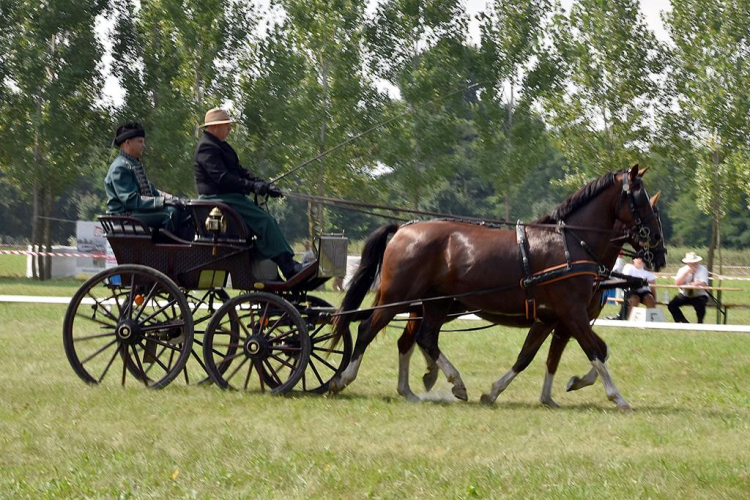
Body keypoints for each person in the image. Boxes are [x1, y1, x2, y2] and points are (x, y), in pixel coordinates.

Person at [193, 107, 304, 280]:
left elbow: (240, 171)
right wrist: (252, 187)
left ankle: (270, 272)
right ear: (214, 127)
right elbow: (222, 178)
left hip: (230, 198)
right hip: (218, 200)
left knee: (265, 221)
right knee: (265, 221)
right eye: (226, 125)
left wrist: (262, 184)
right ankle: (288, 266)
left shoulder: (221, 146)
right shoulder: (206, 147)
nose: (229, 129)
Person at [104, 122, 187, 232]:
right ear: (127, 143)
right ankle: (165, 248)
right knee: (171, 213)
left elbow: (152, 191)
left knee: (184, 209)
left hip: (136, 213)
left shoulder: (133, 164)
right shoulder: (120, 167)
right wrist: (163, 202)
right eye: (140, 141)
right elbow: (131, 200)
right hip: (125, 216)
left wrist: (174, 199)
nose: (144, 145)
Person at [668, 252, 709, 323]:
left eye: (695, 262)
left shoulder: (703, 269)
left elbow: (703, 283)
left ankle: (700, 322)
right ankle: (684, 322)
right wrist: (686, 273)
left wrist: (689, 284)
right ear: (687, 262)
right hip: (685, 294)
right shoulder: (682, 270)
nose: (693, 264)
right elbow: (677, 283)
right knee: (672, 305)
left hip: (699, 294)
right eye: (691, 262)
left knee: (700, 304)